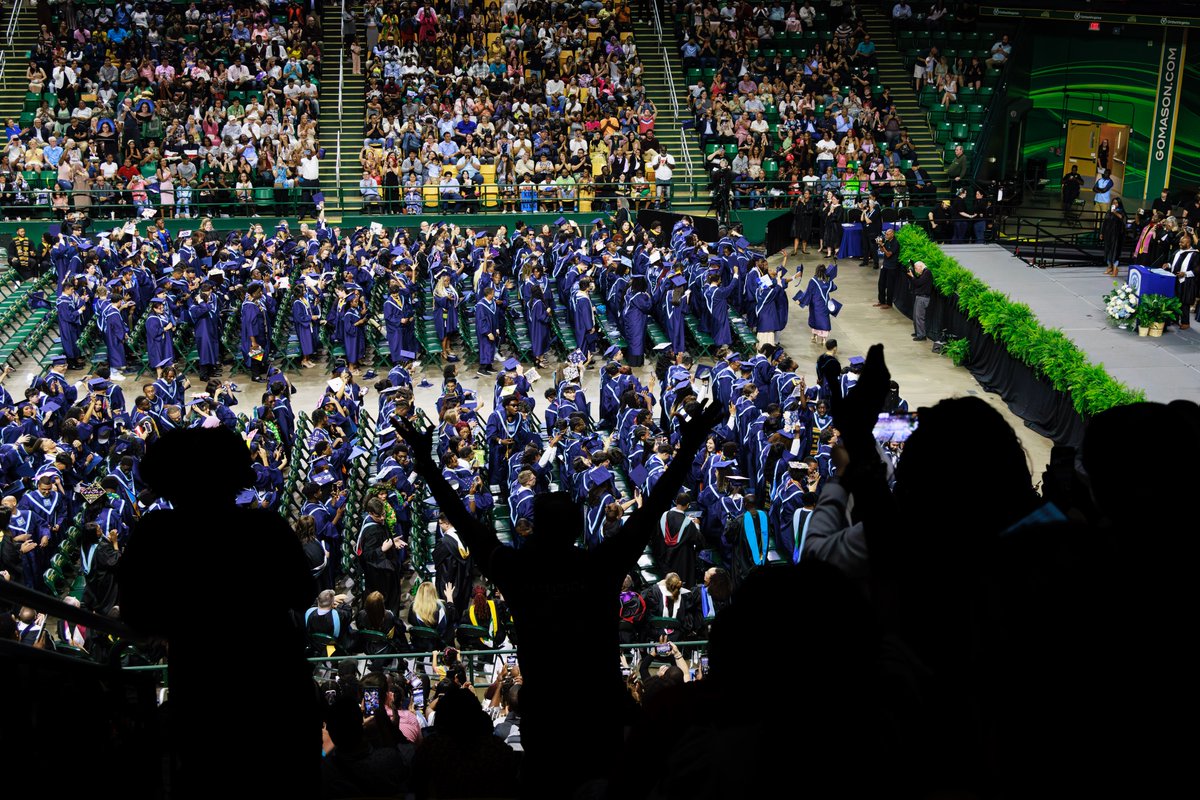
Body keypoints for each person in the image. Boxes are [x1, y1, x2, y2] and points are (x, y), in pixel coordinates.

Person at [395, 400, 725, 796]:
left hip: (547, 722)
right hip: (599, 718)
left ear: (533, 528)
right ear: (574, 529)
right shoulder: (600, 565)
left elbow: (462, 520)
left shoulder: (517, 570)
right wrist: (689, 445)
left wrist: (424, 459)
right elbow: (654, 505)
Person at [118, 426, 319, 800]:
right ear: (236, 477)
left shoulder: (155, 534)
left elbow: (136, 614)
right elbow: (303, 592)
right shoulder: (265, 527)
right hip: (275, 683)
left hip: (201, 688)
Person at [794, 263, 839, 344]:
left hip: (816, 303)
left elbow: (808, 292)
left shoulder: (813, 280)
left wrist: (800, 300)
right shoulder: (829, 281)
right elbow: (834, 288)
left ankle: (814, 336)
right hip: (825, 303)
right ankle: (824, 339)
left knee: (815, 319)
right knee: (824, 319)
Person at [1168, 233, 1198, 330]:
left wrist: (1185, 274)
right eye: (1180, 242)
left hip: (1186, 281)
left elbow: (1197, 270)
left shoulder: (1195, 254)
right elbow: (1172, 263)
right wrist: (1168, 265)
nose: (1180, 243)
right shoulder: (1177, 252)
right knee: (1174, 299)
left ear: (1188, 243)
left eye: (1182, 242)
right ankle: (1175, 318)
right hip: (1174, 279)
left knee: (1184, 302)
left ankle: (1185, 322)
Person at [876, 228, 901, 309]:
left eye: (887, 234)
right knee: (881, 284)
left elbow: (888, 254)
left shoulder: (895, 243)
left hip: (892, 267)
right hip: (885, 265)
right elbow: (882, 250)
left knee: (890, 285)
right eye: (885, 234)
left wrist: (883, 247)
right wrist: (880, 245)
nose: (886, 236)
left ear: (892, 234)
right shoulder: (886, 241)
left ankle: (889, 303)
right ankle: (881, 301)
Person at [908, 260, 934, 341]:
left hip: (923, 298)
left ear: (920, 266)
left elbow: (918, 283)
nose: (916, 270)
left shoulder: (927, 273)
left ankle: (921, 335)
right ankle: (918, 332)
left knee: (919, 317)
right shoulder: (924, 273)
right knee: (916, 316)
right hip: (920, 297)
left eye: (916, 268)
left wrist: (912, 276)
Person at [1101, 198, 1127, 277]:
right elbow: (1105, 222)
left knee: (1115, 252)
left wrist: (1115, 212)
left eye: (1116, 203)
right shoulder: (1109, 212)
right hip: (1108, 235)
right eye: (1113, 202)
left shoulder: (1121, 212)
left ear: (1119, 204)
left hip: (1117, 236)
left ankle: (1115, 268)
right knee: (1108, 250)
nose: (1114, 204)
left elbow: (1123, 219)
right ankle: (1109, 267)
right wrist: (1102, 233)